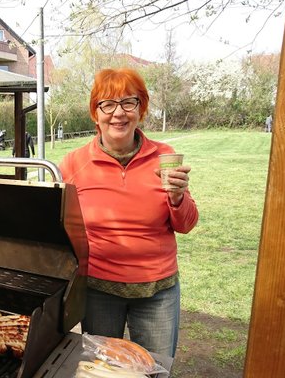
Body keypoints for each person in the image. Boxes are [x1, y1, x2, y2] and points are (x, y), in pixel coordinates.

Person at [58, 68, 199, 358]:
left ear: (141, 109)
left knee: (154, 369)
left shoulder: (164, 156)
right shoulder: (74, 163)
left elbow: (185, 225)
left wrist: (177, 198)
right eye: (107, 104)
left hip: (157, 292)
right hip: (98, 289)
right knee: (102, 370)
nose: (118, 113)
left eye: (128, 103)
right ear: (95, 113)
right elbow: (59, 227)